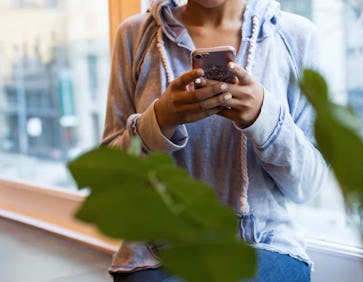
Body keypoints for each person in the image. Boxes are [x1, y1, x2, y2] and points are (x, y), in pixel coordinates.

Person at [102, 0, 331, 281]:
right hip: (155, 254)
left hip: (266, 245)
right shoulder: (135, 36)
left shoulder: (295, 36)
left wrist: (263, 116)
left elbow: (309, 185)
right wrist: (160, 120)